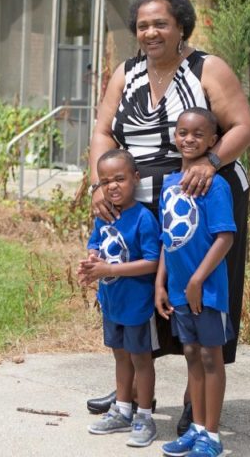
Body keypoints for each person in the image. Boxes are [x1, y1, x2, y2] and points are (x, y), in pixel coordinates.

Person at [85, 0, 250, 436]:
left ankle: (194, 403)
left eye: (160, 23)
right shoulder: (127, 72)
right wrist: (98, 184)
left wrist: (210, 162)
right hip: (137, 205)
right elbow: (102, 131)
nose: (150, 32)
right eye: (142, 25)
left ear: (181, 25)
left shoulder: (207, 69)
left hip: (198, 202)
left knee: (198, 299)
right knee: (138, 295)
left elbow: (242, 126)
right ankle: (135, 391)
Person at [156, 108, 235, 457]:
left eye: (198, 134)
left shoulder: (215, 185)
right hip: (177, 289)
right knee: (190, 354)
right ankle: (197, 428)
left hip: (207, 291)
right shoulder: (170, 184)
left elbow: (225, 238)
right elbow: (167, 239)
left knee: (209, 357)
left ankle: (213, 436)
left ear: (213, 141)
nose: (189, 139)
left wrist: (198, 280)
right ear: (175, 136)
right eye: (183, 132)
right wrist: (161, 283)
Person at [78, 149, 161, 449]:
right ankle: (122, 409)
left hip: (137, 303)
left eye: (120, 179)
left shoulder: (144, 218)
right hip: (112, 300)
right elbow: (95, 246)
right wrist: (91, 262)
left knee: (140, 358)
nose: (112, 186)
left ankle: (145, 415)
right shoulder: (105, 216)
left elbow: (152, 262)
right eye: (105, 181)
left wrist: (108, 268)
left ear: (135, 179)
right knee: (119, 355)